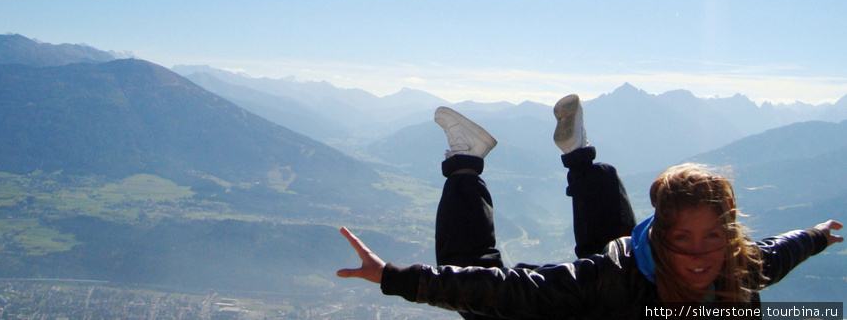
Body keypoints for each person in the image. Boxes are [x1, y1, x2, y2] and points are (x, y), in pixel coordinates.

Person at [338, 96, 843, 317]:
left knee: (613, 250)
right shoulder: (611, 280)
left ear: (729, 237)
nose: (699, 254)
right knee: (485, 299)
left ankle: (580, 153)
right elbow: (509, 290)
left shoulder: (739, 267)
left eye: (712, 237)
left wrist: (819, 235)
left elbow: (778, 252)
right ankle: (465, 162)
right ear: (661, 236)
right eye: (682, 238)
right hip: (601, 303)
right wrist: (393, 278)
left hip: (629, 288)